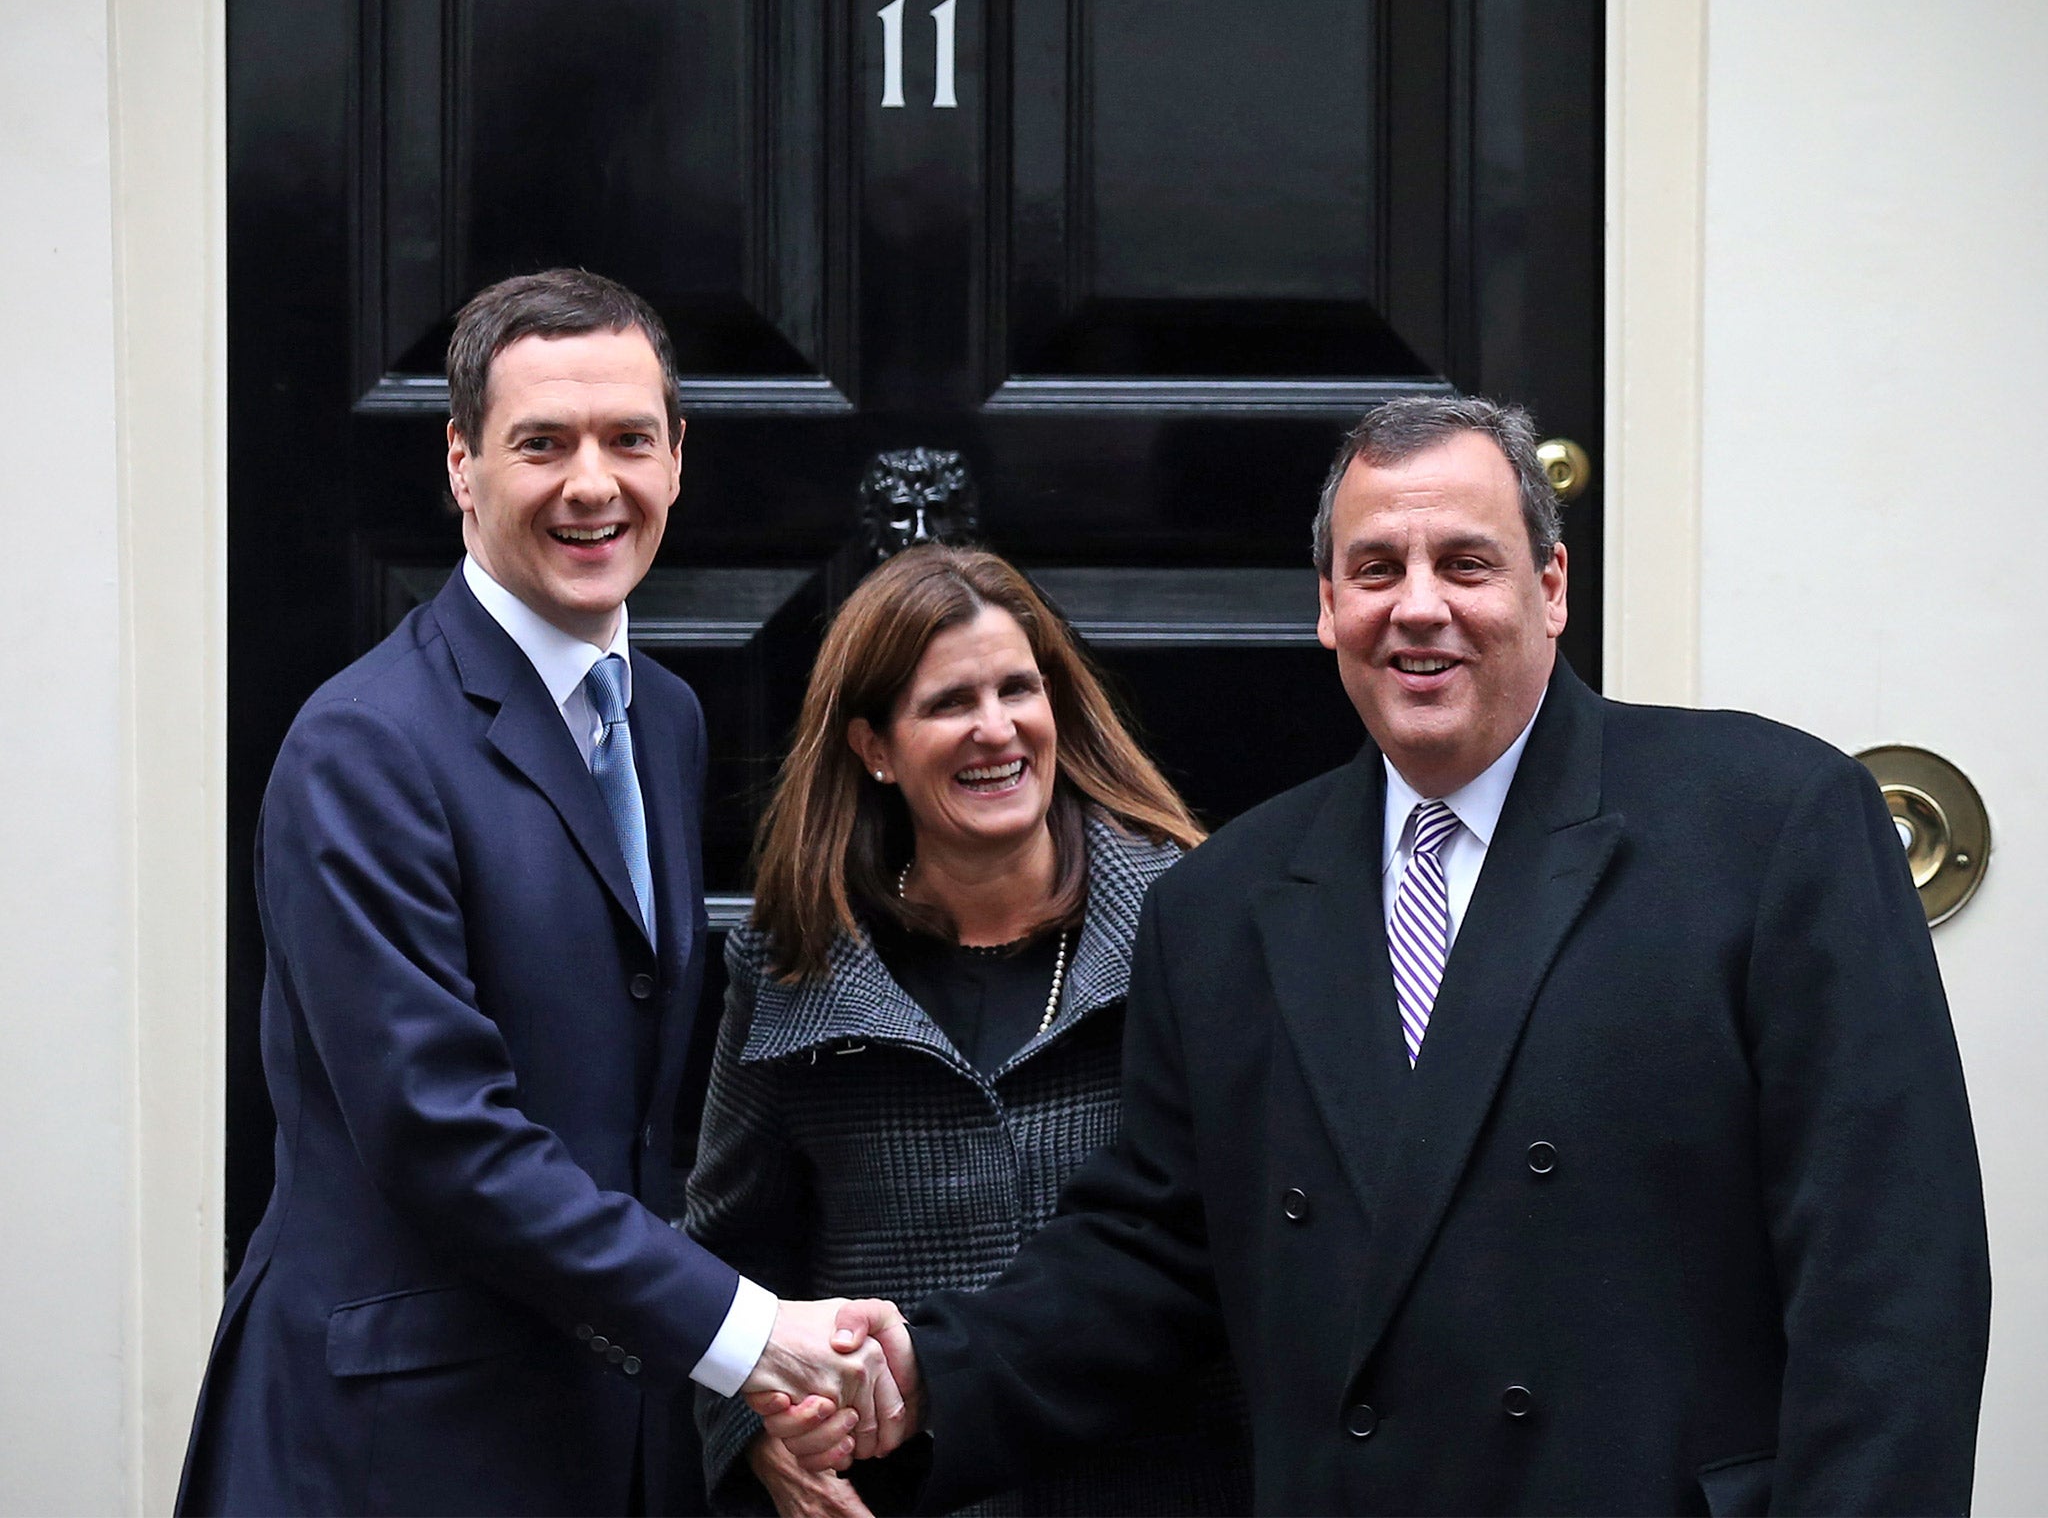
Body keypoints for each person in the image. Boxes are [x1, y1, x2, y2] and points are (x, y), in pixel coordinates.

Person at [773, 395, 1993, 1515]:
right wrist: (928, 1377)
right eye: (1375, 569)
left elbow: (1889, 1281)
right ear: (1326, 606)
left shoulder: (1768, 823)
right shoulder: (1223, 904)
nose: (1418, 605)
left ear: (1552, 585)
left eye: (1466, 563)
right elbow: (1147, 1254)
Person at [177, 269, 908, 1517]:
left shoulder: (663, 718)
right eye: (540, 444)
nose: (592, 484)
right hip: (395, 1445)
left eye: (629, 439)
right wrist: (743, 1335)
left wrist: (732, 1385)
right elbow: (440, 1133)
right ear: (461, 464)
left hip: (602, 1435)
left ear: (678, 458)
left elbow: (630, 1116)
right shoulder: (362, 746)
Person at [687, 544, 1252, 1517]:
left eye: (1017, 689)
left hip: (1160, 1481)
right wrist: (756, 1434)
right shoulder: (793, 965)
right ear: (873, 747)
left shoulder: (1189, 922)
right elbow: (729, 1256)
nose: (996, 730)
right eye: (949, 703)